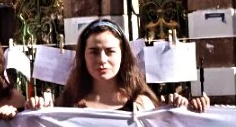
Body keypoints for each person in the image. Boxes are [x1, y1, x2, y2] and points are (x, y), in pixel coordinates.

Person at [51, 19, 207, 113]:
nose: (102, 60)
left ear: (123, 55)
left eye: (110, 51)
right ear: (83, 56)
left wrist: (187, 111)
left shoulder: (142, 104)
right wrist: (36, 108)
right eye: (94, 52)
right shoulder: (67, 105)